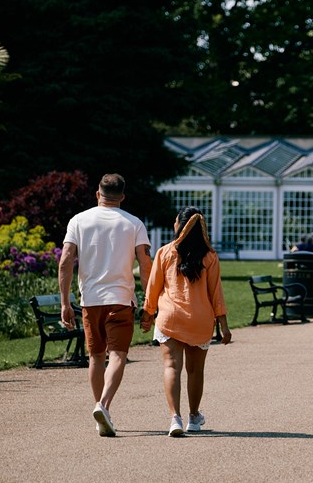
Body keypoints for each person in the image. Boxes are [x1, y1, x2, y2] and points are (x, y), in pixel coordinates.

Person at [58, 173, 152, 437]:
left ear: (98, 193)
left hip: (90, 301)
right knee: (118, 355)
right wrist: (149, 301)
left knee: (96, 357)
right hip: (121, 299)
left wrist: (66, 302)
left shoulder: (79, 220)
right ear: (122, 196)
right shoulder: (134, 224)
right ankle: (104, 406)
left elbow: (65, 260)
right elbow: (146, 265)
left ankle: (101, 411)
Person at [140, 207, 231, 437]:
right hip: (200, 319)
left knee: (172, 366)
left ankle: (175, 418)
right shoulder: (209, 256)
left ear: (179, 225)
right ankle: (193, 417)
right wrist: (224, 325)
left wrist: (148, 314)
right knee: (195, 371)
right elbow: (216, 293)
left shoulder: (165, 252)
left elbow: (153, 287)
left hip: (170, 317)